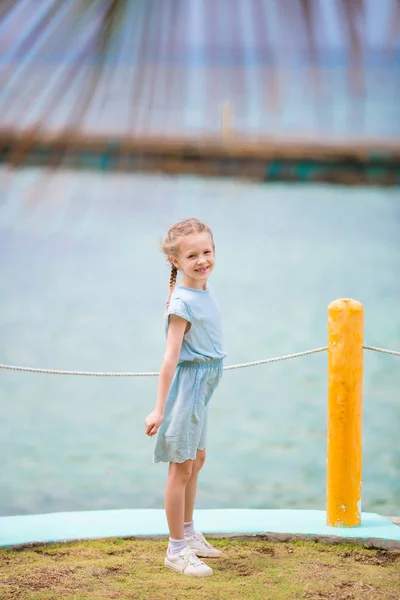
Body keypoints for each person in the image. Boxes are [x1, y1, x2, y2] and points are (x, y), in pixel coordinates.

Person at [145, 217, 226, 577]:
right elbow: (170, 358)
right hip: (189, 388)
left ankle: (190, 534)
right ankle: (176, 550)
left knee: (198, 460)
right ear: (176, 261)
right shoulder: (181, 304)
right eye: (192, 255)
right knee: (180, 467)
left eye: (206, 251)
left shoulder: (202, 291)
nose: (202, 260)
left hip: (204, 386)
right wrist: (159, 408)